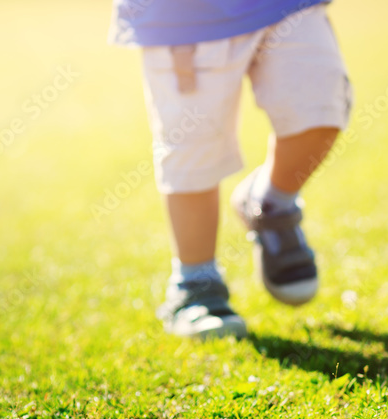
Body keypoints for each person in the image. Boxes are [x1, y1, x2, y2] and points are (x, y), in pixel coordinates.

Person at [109, 1, 352, 339]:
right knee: (193, 149)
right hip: (183, 16)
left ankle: (271, 203)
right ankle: (196, 285)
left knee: (320, 112)